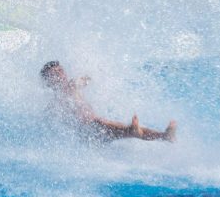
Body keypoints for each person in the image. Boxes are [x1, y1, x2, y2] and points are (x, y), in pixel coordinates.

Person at [40, 61, 176, 142]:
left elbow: (84, 80)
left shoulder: (72, 85)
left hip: (94, 130)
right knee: (103, 123)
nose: (60, 75)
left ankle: (164, 136)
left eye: (61, 71)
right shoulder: (55, 102)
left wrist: (86, 79)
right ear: (49, 82)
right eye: (55, 74)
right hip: (88, 134)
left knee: (112, 126)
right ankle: (149, 134)